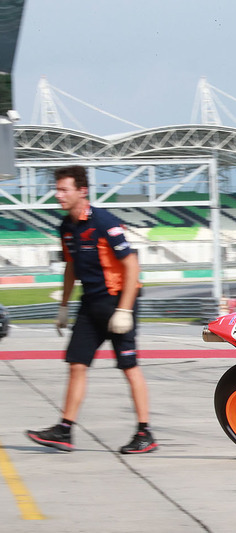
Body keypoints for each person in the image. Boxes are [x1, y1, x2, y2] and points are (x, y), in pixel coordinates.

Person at [27, 165, 157, 454]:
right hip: (90, 303)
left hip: (118, 300)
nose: (58, 195)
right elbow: (71, 267)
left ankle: (145, 433)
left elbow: (131, 264)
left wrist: (124, 310)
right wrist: (62, 306)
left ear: (82, 191)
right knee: (76, 364)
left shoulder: (103, 222)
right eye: (57, 189)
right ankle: (64, 430)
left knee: (129, 366)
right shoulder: (66, 227)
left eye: (64, 190)